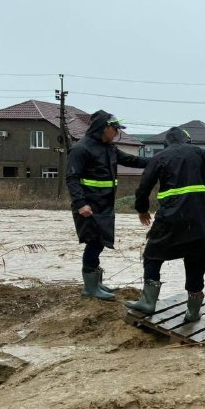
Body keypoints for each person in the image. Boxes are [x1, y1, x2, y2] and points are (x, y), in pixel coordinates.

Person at [125, 127, 205, 321]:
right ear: (187, 140)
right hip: (198, 219)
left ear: (167, 143)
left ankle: (148, 302)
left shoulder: (160, 157)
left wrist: (142, 209)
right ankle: (193, 310)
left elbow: (143, 187)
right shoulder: (199, 153)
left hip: (170, 217)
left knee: (153, 255)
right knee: (195, 260)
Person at [66, 110, 148, 300]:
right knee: (94, 243)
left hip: (104, 205)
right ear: (105, 128)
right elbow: (72, 178)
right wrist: (81, 204)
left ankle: (96, 283)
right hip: (89, 206)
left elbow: (132, 160)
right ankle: (90, 288)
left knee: (100, 242)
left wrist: (159, 160)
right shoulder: (82, 149)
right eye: (115, 129)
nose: (117, 133)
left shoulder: (109, 148)